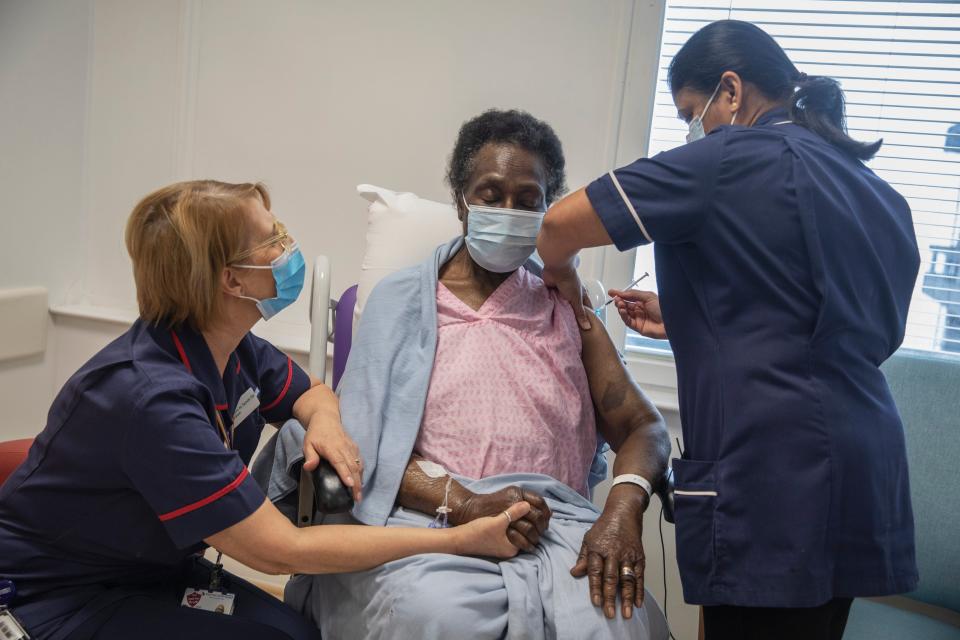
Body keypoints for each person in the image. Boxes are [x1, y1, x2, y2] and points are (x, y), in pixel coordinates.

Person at [0, 180, 530, 640]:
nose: (288, 245)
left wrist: (325, 425)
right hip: (55, 595)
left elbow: (310, 392)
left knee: (295, 633)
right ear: (232, 280)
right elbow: (278, 551)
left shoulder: (225, 343)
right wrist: (458, 541)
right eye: (272, 237)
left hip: (150, 568)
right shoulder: (151, 400)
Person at [536, 20, 920, 640]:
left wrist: (561, 277)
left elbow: (557, 225)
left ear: (732, 91)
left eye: (694, 111)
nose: (696, 128)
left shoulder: (724, 159)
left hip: (774, 473)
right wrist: (689, 318)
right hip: (865, 463)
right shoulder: (877, 193)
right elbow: (826, 321)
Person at [277, 109, 671, 640]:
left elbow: (643, 428)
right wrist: (465, 503)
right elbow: (362, 443)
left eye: (528, 199)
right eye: (490, 194)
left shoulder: (569, 311)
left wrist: (622, 511)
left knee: (610, 624)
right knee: (439, 619)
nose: (509, 210)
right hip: (427, 522)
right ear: (461, 201)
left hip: (556, 527)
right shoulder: (401, 303)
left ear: (549, 208)